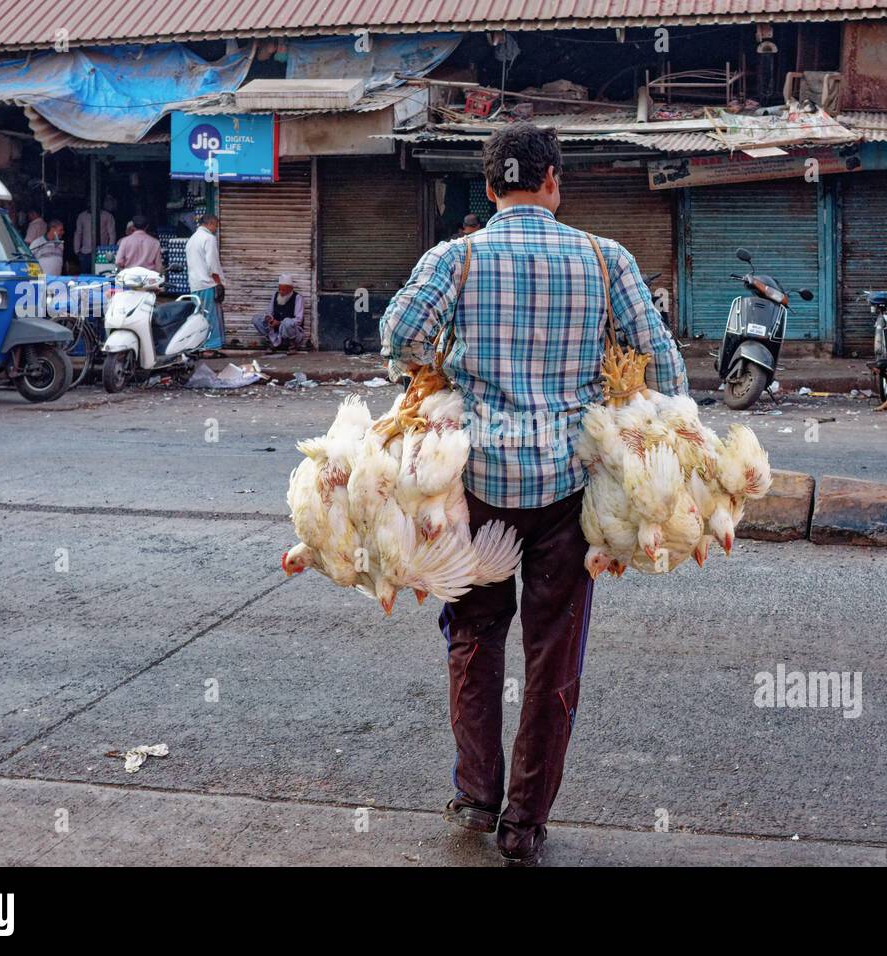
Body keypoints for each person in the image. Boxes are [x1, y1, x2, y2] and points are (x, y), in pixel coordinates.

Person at [380, 121, 687, 867]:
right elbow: (665, 369)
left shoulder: (457, 256)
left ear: (488, 190)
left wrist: (443, 366)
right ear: (554, 181)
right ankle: (524, 821)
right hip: (567, 491)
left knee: (475, 635)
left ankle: (475, 793)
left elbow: (398, 337)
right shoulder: (602, 256)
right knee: (554, 651)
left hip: (477, 483)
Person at [186, 215, 226, 353]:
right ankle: (209, 348)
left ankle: (200, 345)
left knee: (199, 317)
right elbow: (212, 264)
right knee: (210, 316)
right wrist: (218, 283)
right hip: (208, 284)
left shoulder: (192, 239)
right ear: (210, 223)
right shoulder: (209, 238)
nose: (216, 229)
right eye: (216, 226)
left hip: (195, 285)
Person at [251, 273, 307, 351]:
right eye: (279, 289)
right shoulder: (275, 295)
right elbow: (269, 311)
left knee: (287, 322)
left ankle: (292, 345)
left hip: (291, 332)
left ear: (291, 289)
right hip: (275, 330)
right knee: (256, 319)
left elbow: (298, 320)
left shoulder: (298, 297)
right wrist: (269, 318)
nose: (281, 292)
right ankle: (272, 342)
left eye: (283, 290)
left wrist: (280, 323)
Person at [74, 198, 116, 272]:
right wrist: (77, 250)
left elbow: (112, 234)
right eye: (89, 203)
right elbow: (78, 233)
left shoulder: (107, 216)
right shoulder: (82, 216)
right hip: (85, 252)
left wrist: (109, 251)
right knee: (85, 276)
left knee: (103, 275)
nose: (92, 205)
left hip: (103, 252)